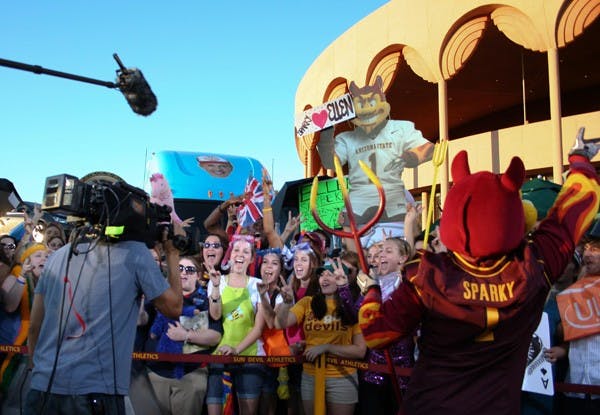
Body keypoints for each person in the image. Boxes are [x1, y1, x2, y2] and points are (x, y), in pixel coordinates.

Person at [358, 136, 599, 415]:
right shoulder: (534, 265)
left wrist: (371, 291)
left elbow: (377, 334)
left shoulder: (426, 273)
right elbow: (571, 217)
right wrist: (580, 161)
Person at [24, 217, 186, 415]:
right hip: (96, 394)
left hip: (42, 389)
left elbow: (34, 326)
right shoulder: (134, 252)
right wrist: (172, 252)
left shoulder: (57, 257)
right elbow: (174, 307)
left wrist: (35, 370)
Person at [275, 261, 367, 415]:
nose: (324, 278)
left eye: (330, 274)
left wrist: (327, 347)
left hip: (342, 378)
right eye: (322, 274)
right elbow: (280, 323)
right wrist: (286, 303)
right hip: (310, 376)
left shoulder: (352, 308)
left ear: (341, 278)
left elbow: (360, 351)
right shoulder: (307, 302)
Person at [147, 256, 223, 415]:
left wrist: (186, 335)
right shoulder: (158, 297)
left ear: (198, 276)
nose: (184, 273)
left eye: (190, 270)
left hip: (189, 376)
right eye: (179, 269)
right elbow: (143, 323)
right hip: (154, 374)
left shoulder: (205, 302)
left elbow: (215, 336)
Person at [206, 234, 266, 415]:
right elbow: (215, 315)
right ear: (230, 255)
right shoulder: (217, 281)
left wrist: (237, 350)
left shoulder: (258, 285)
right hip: (219, 355)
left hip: (249, 356)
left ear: (252, 258)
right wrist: (215, 287)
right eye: (237, 250)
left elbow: (259, 328)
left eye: (246, 252)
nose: (240, 255)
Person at [552, 237, 600, 415]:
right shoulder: (572, 292)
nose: (588, 253)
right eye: (587, 248)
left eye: (595, 249)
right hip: (574, 387)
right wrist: (563, 349)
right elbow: (566, 333)